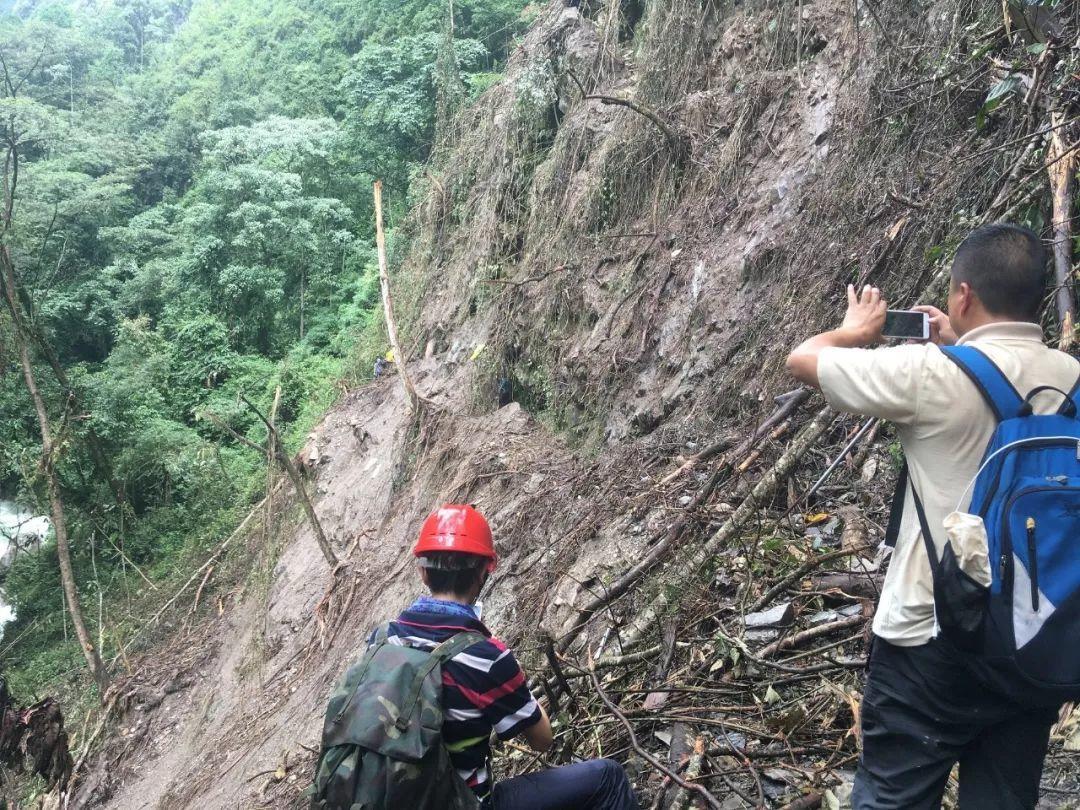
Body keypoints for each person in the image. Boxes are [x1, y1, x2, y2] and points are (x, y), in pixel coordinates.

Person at [786, 223, 1079, 810]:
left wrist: (854, 331)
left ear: (963, 296)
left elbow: (803, 360)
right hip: (1033, 633)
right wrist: (960, 345)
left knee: (892, 798)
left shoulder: (927, 374)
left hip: (929, 638)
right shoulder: (1071, 379)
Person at [385, 503, 639, 810]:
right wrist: (509, 672)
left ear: (423, 572)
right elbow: (542, 740)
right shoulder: (485, 655)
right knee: (608, 778)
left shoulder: (384, 640)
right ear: (483, 571)